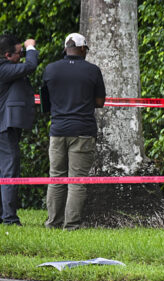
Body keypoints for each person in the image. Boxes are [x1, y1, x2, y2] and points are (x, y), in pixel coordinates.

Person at [43, 33, 106, 230]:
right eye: (86, 49)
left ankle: (53, 222)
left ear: (65, 48)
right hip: (83, 131)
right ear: (81, 49)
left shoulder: (50, 69)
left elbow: (45, 105)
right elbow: (100, 102)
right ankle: (71, 226)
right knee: (76, 180)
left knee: (56, 177)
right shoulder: (93, 70)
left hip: (58, 130)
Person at [0, 34, 39, 226]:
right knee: (9, 172)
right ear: (7, 55)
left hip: (4, 128)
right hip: (3, 129)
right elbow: (30, 66)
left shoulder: (6, 67)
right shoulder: (4, 69)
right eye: (19, 53)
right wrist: (31, 47)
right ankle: (9, 219)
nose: (22, 56)